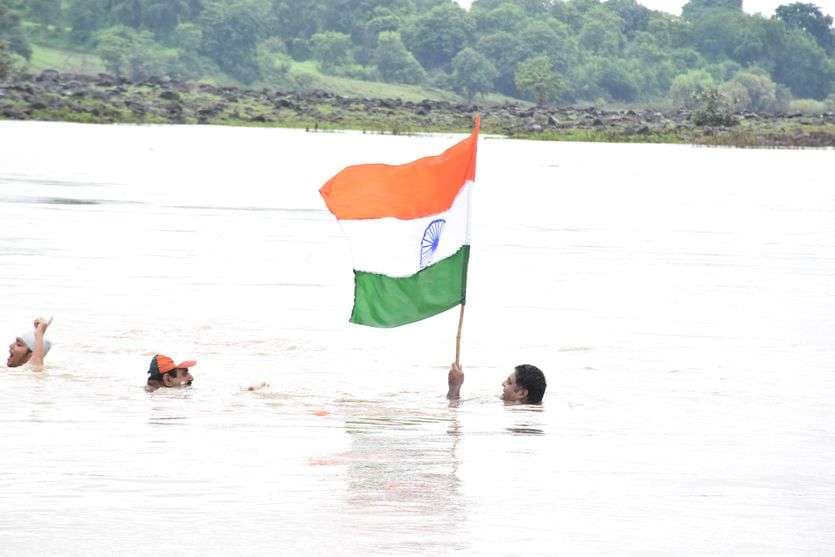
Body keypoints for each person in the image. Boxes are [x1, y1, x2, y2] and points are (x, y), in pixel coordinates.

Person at [447, 362, 547, 404]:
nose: (503, 383)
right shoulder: (531, 411)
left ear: (521, 393)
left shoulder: (510, 410)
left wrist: (454, 387)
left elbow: (453, 406)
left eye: (509, 382)